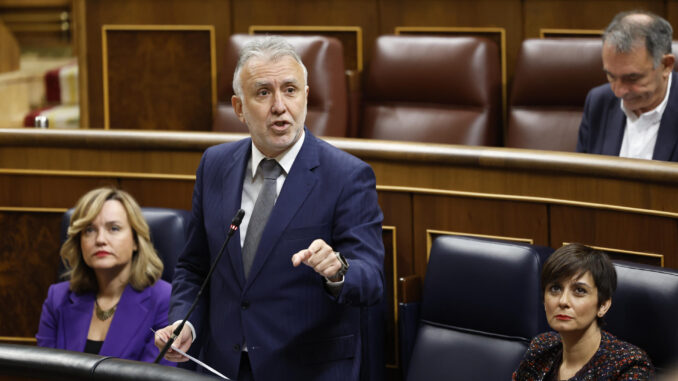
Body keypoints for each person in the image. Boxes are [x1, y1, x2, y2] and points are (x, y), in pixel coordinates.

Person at [154, 36, 384, 380]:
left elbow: (371, 279)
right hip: (223, 367)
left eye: (290, 90)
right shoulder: (214, 165)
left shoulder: (347, 176)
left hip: (307, 369)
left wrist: (338, 270)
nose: (280, 105)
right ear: (239, 107)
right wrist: (186, 322)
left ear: (306, 96)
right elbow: (195, 265)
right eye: (263, 92)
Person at [36, 187, 174, 366]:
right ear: (79, 242)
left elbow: (157, 376)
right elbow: (44, 372)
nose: (100, 239)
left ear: (136, 241)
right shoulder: (57, 298)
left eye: (114, 228)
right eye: (89, 230)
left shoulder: (164, 300)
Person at [513, 243, 654, 380]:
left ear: (603, 305)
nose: (563, 301)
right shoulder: (542, 347)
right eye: (555, 289)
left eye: (579, 291)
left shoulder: (630, 365)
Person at [576, 10, 678, 161]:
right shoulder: (598, 102)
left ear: (666, 65)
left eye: (632, 78)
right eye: (611, 75)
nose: (618, 92)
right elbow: (581, 178)